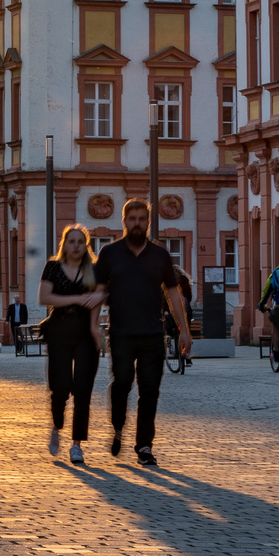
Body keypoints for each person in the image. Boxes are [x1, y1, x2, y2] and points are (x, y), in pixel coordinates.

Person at [94, 199, 191, 467]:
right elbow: (99, 292)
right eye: (132, 219)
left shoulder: (160, 255)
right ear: (124, 221)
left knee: (149, 391)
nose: (136, 224)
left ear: (148, 222)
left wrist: (184, 330)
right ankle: (117, 427)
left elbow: (173, 292)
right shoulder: (109, 253)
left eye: (141, 219)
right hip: (121, 333)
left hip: (152, 333)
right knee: (122, 383)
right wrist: (94, 326)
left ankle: (144, 446)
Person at [39, 224, 105, 465]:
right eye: (72, 241)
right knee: (60, 387)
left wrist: (94, 327)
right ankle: (57, 426)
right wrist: (77, 298)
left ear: (85, 245)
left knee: (83, 390)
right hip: (59, 330)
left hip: (85, 333)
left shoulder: (94, 269)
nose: (76, 246)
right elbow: (44, 297)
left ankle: (77, 445)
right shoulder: (53, 267)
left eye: (80, 241)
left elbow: (99, 299)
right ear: (64, 245)